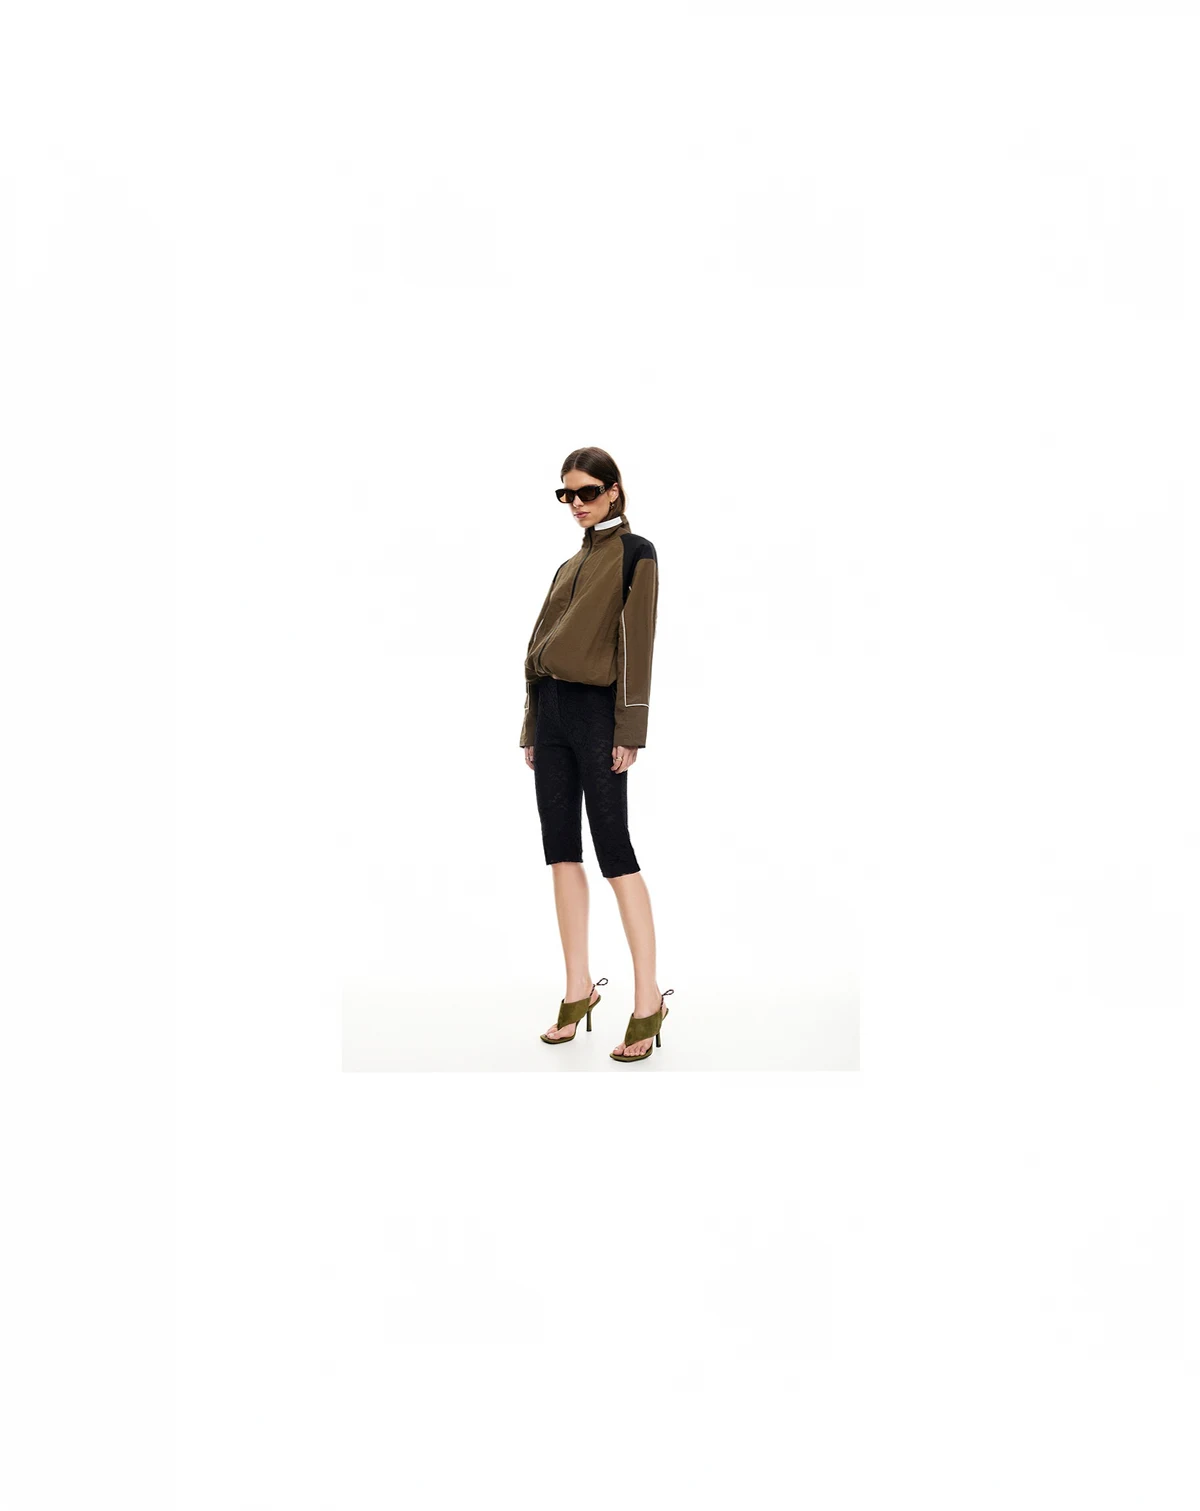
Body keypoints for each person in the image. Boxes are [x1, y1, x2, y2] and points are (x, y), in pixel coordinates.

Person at [520, 446, 673, 1063]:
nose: (576, 503)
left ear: (613, 489)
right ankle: (577, 988)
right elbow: (537, 650)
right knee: (560, 850)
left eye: (586, 491)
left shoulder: (637, 554)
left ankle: (647, 999)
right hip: (552, 713)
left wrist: (629, 729)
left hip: (597, 715)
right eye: (567, 494)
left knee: (615, 853)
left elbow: (639, 644)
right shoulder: (568, 565)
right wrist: (532, 725)